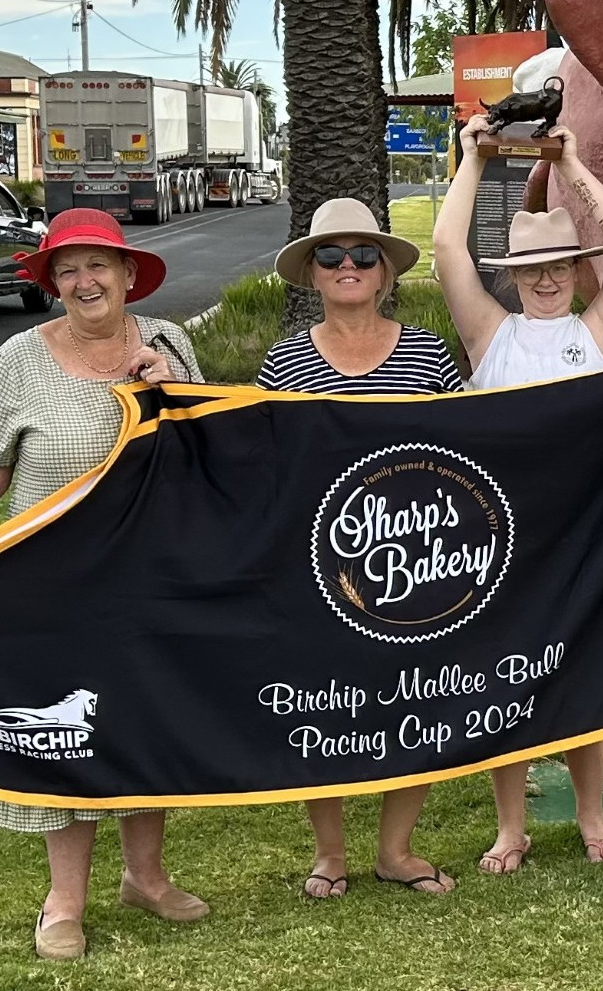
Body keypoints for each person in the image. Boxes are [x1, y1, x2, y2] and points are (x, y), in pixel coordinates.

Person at [0, 209, 208, 961]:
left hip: (150, 580)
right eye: (67, 269)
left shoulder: (170, 342)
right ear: (52, 283)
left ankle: (146, 877)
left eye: (98, 266)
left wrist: (174, 391)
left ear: (128, 275)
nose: (84, 281)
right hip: (51, 586)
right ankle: (64, 903)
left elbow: (206, 453)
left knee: (147, 723)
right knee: (68, 737)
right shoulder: (21, 360)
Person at [435, 116, 603, 871]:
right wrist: (471, 160)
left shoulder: (598, 334)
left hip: (584, 534)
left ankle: (592, 815)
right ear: (513, 275)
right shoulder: (492, 334)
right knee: (506, 680)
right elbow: (447, 250)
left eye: (561, 265)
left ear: (577, 268)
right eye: (533, 269)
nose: (548, 278)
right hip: (505, 539)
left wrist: (574, 165)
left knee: (583, 675)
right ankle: (511, 826)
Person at [260, 198, 464, 898]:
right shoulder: (283, 365)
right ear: (310, 274)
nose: (348, 266)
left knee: (420, 697)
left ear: (385, 273)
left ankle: (396, 851)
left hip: (419, 560)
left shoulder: (428, 353)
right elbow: (260, 461)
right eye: (331, 255)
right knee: (324, 702)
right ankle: (330, 855)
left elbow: (472, 448)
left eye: (363, 255)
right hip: (322, 564)